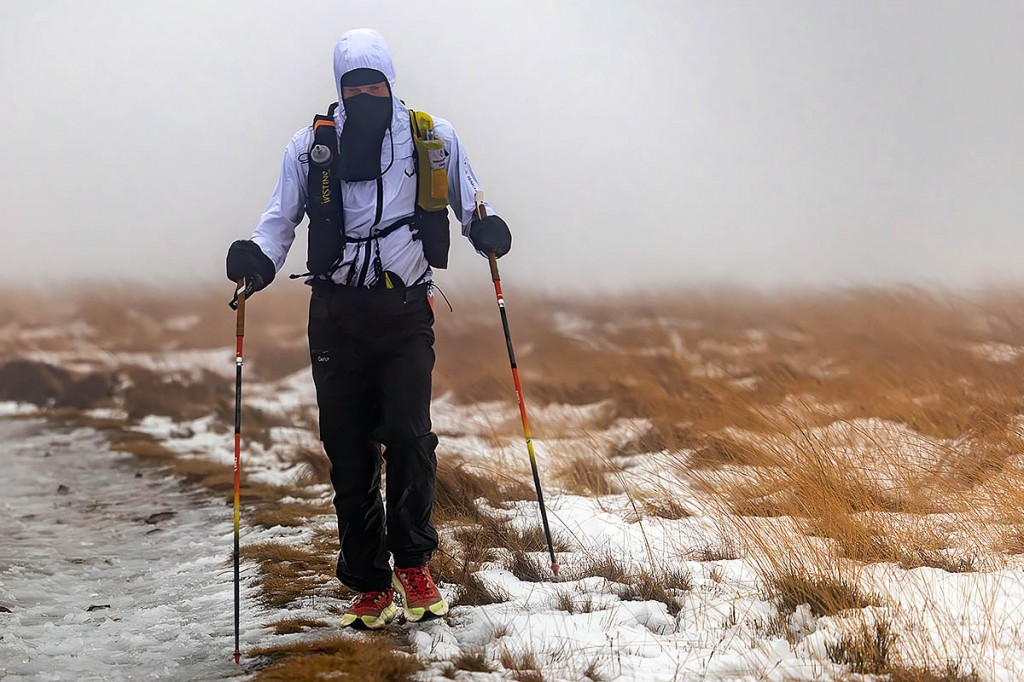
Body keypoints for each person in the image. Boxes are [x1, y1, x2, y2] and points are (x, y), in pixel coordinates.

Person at [224, 28, 512, 629]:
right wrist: (256, 259)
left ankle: (413, 563)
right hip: (336, 314)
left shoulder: (433, 139)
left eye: (374, 84)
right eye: (353, 87)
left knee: (410, 437)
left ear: (390, 83)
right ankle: (369, 583)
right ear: (339, 88)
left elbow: (470, 202)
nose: (365, 95)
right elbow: (278, 222)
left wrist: (486, 228)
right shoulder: (310, 148)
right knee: (349, 451)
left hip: (405, 310)